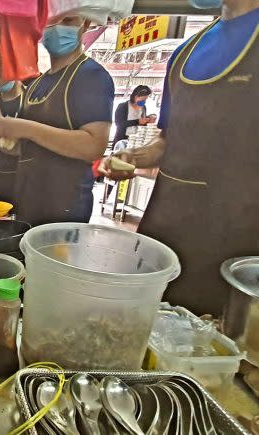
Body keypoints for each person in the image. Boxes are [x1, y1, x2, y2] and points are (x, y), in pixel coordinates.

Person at [101, 0, 259, 316]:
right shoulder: (185, 52)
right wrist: (133, 157)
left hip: (238, 238)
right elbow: (168, 139)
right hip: (167, 224)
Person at [0, 15, 114, 225]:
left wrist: (25, 127)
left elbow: (94, 146)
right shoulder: (37, 84)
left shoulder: (91, 76)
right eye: (51, 21)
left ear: (85, 23)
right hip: (28, 200)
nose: (57, 29)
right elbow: (21, 150)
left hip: (64, 207)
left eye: (68, 20)